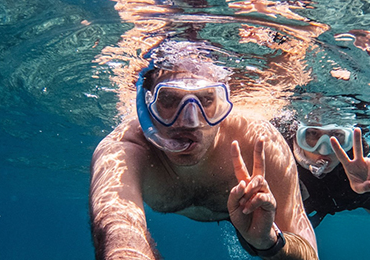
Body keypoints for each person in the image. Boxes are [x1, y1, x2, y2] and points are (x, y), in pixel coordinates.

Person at [89, 46, 318, 259]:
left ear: (223, 104)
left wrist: (269, 242)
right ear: (146, 105)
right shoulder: (122, 151)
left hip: (253, 221)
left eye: (206, 100)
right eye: (169, 99)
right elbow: (116, 229)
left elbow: (308, 251)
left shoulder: (258, 141)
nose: (190, 122)